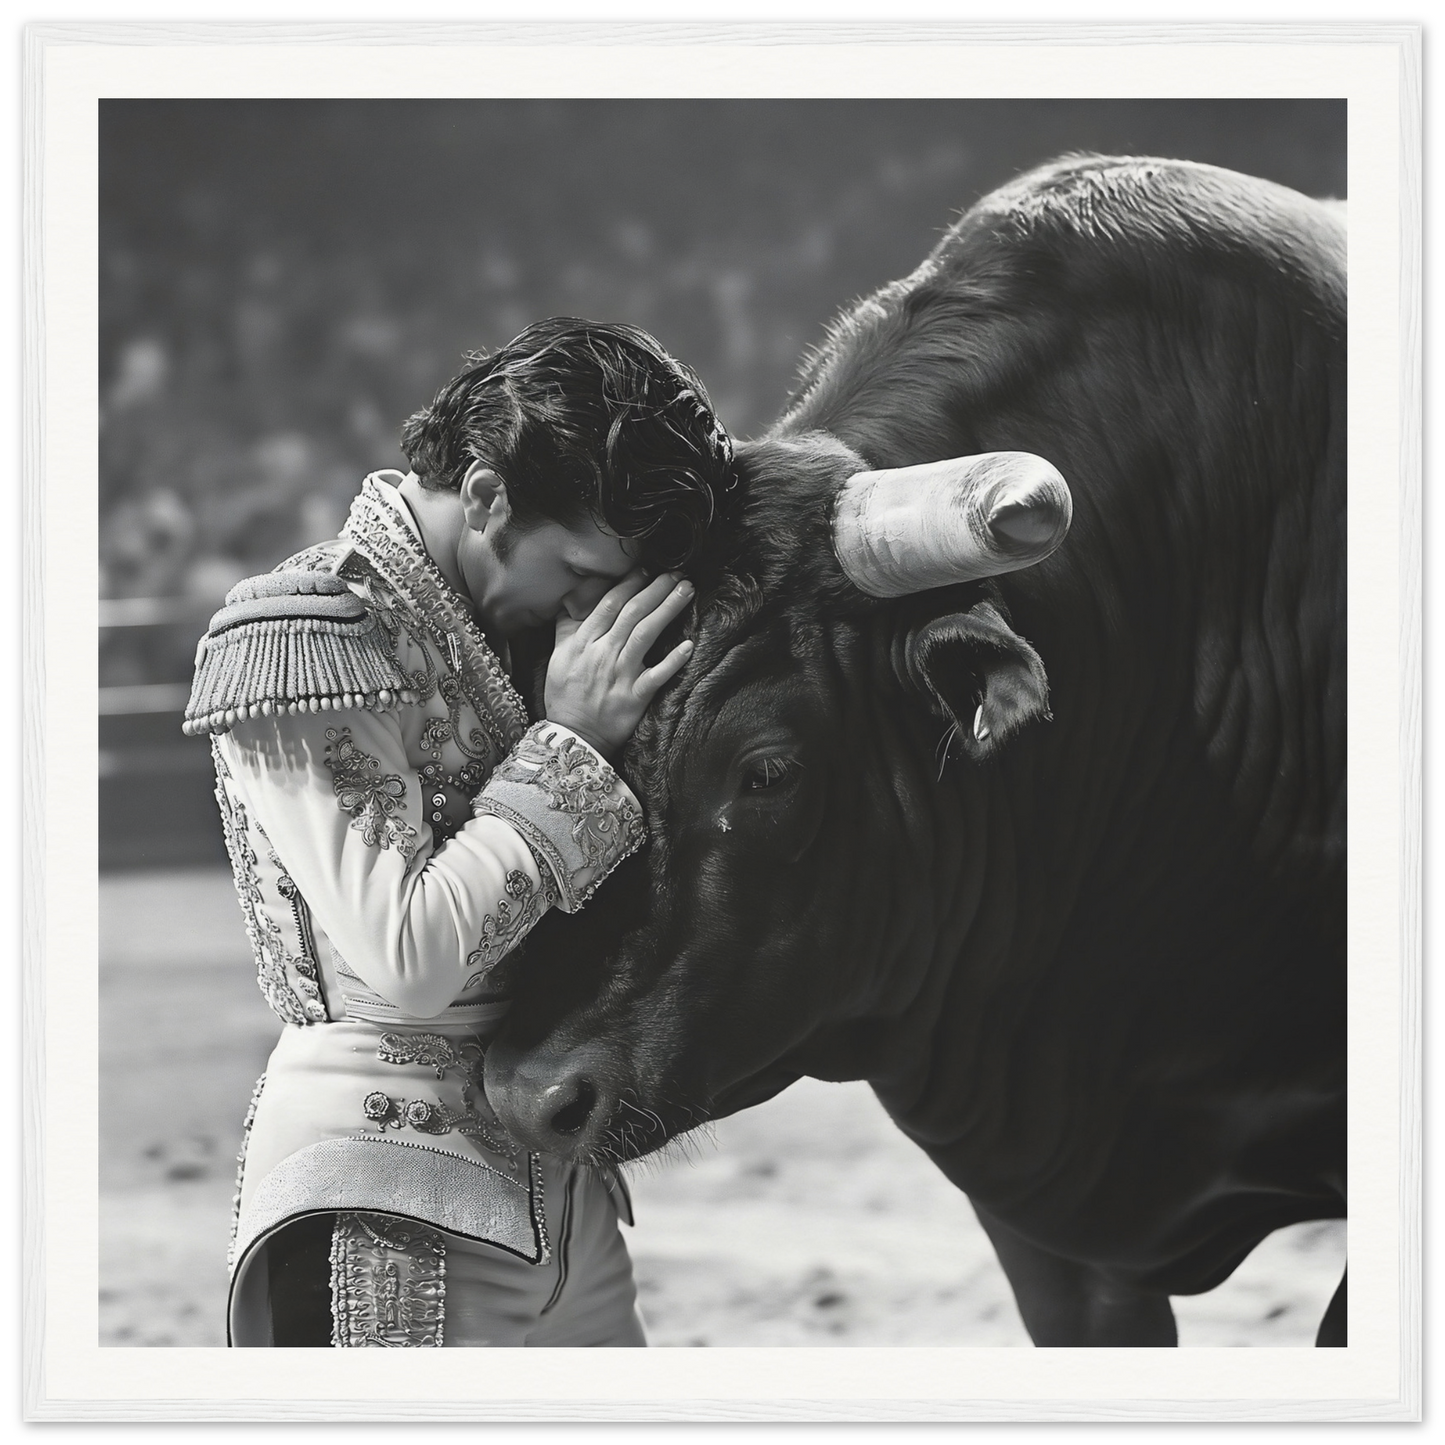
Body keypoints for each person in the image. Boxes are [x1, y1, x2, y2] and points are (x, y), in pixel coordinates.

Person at [184, 318, 736, 1347]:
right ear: (485, 495)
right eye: (577, 568)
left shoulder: (504, 630)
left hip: (564, 1196)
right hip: (383, 1193)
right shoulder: (316, 627)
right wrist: (570, 740)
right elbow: (410, 958)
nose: (588, 606)